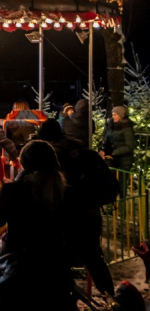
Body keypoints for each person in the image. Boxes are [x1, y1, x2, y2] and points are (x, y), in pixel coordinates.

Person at [36, 119, 118, 305]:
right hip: (91, 213)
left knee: (59, 260)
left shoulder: (54, 155)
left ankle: (63, 300)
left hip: (67, 216)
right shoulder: (80, 149)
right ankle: (110, 298)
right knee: (93, 256)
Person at [0, 140, 76, 310]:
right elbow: (74, 227)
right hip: (55, 264)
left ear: (24, 163)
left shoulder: (13, 190)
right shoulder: (67, 192)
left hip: (19, 265)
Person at [100, 105, 136, 171]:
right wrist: (103, 149)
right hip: (113, 160)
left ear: (121, 116)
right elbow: (107, 140)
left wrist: (114, 152)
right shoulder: (111, 126)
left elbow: (130, 146)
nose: (113, 117)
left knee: (121, 180)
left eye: (115, 115)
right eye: (112, 114)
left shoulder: (127, 128)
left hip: (124, 161)